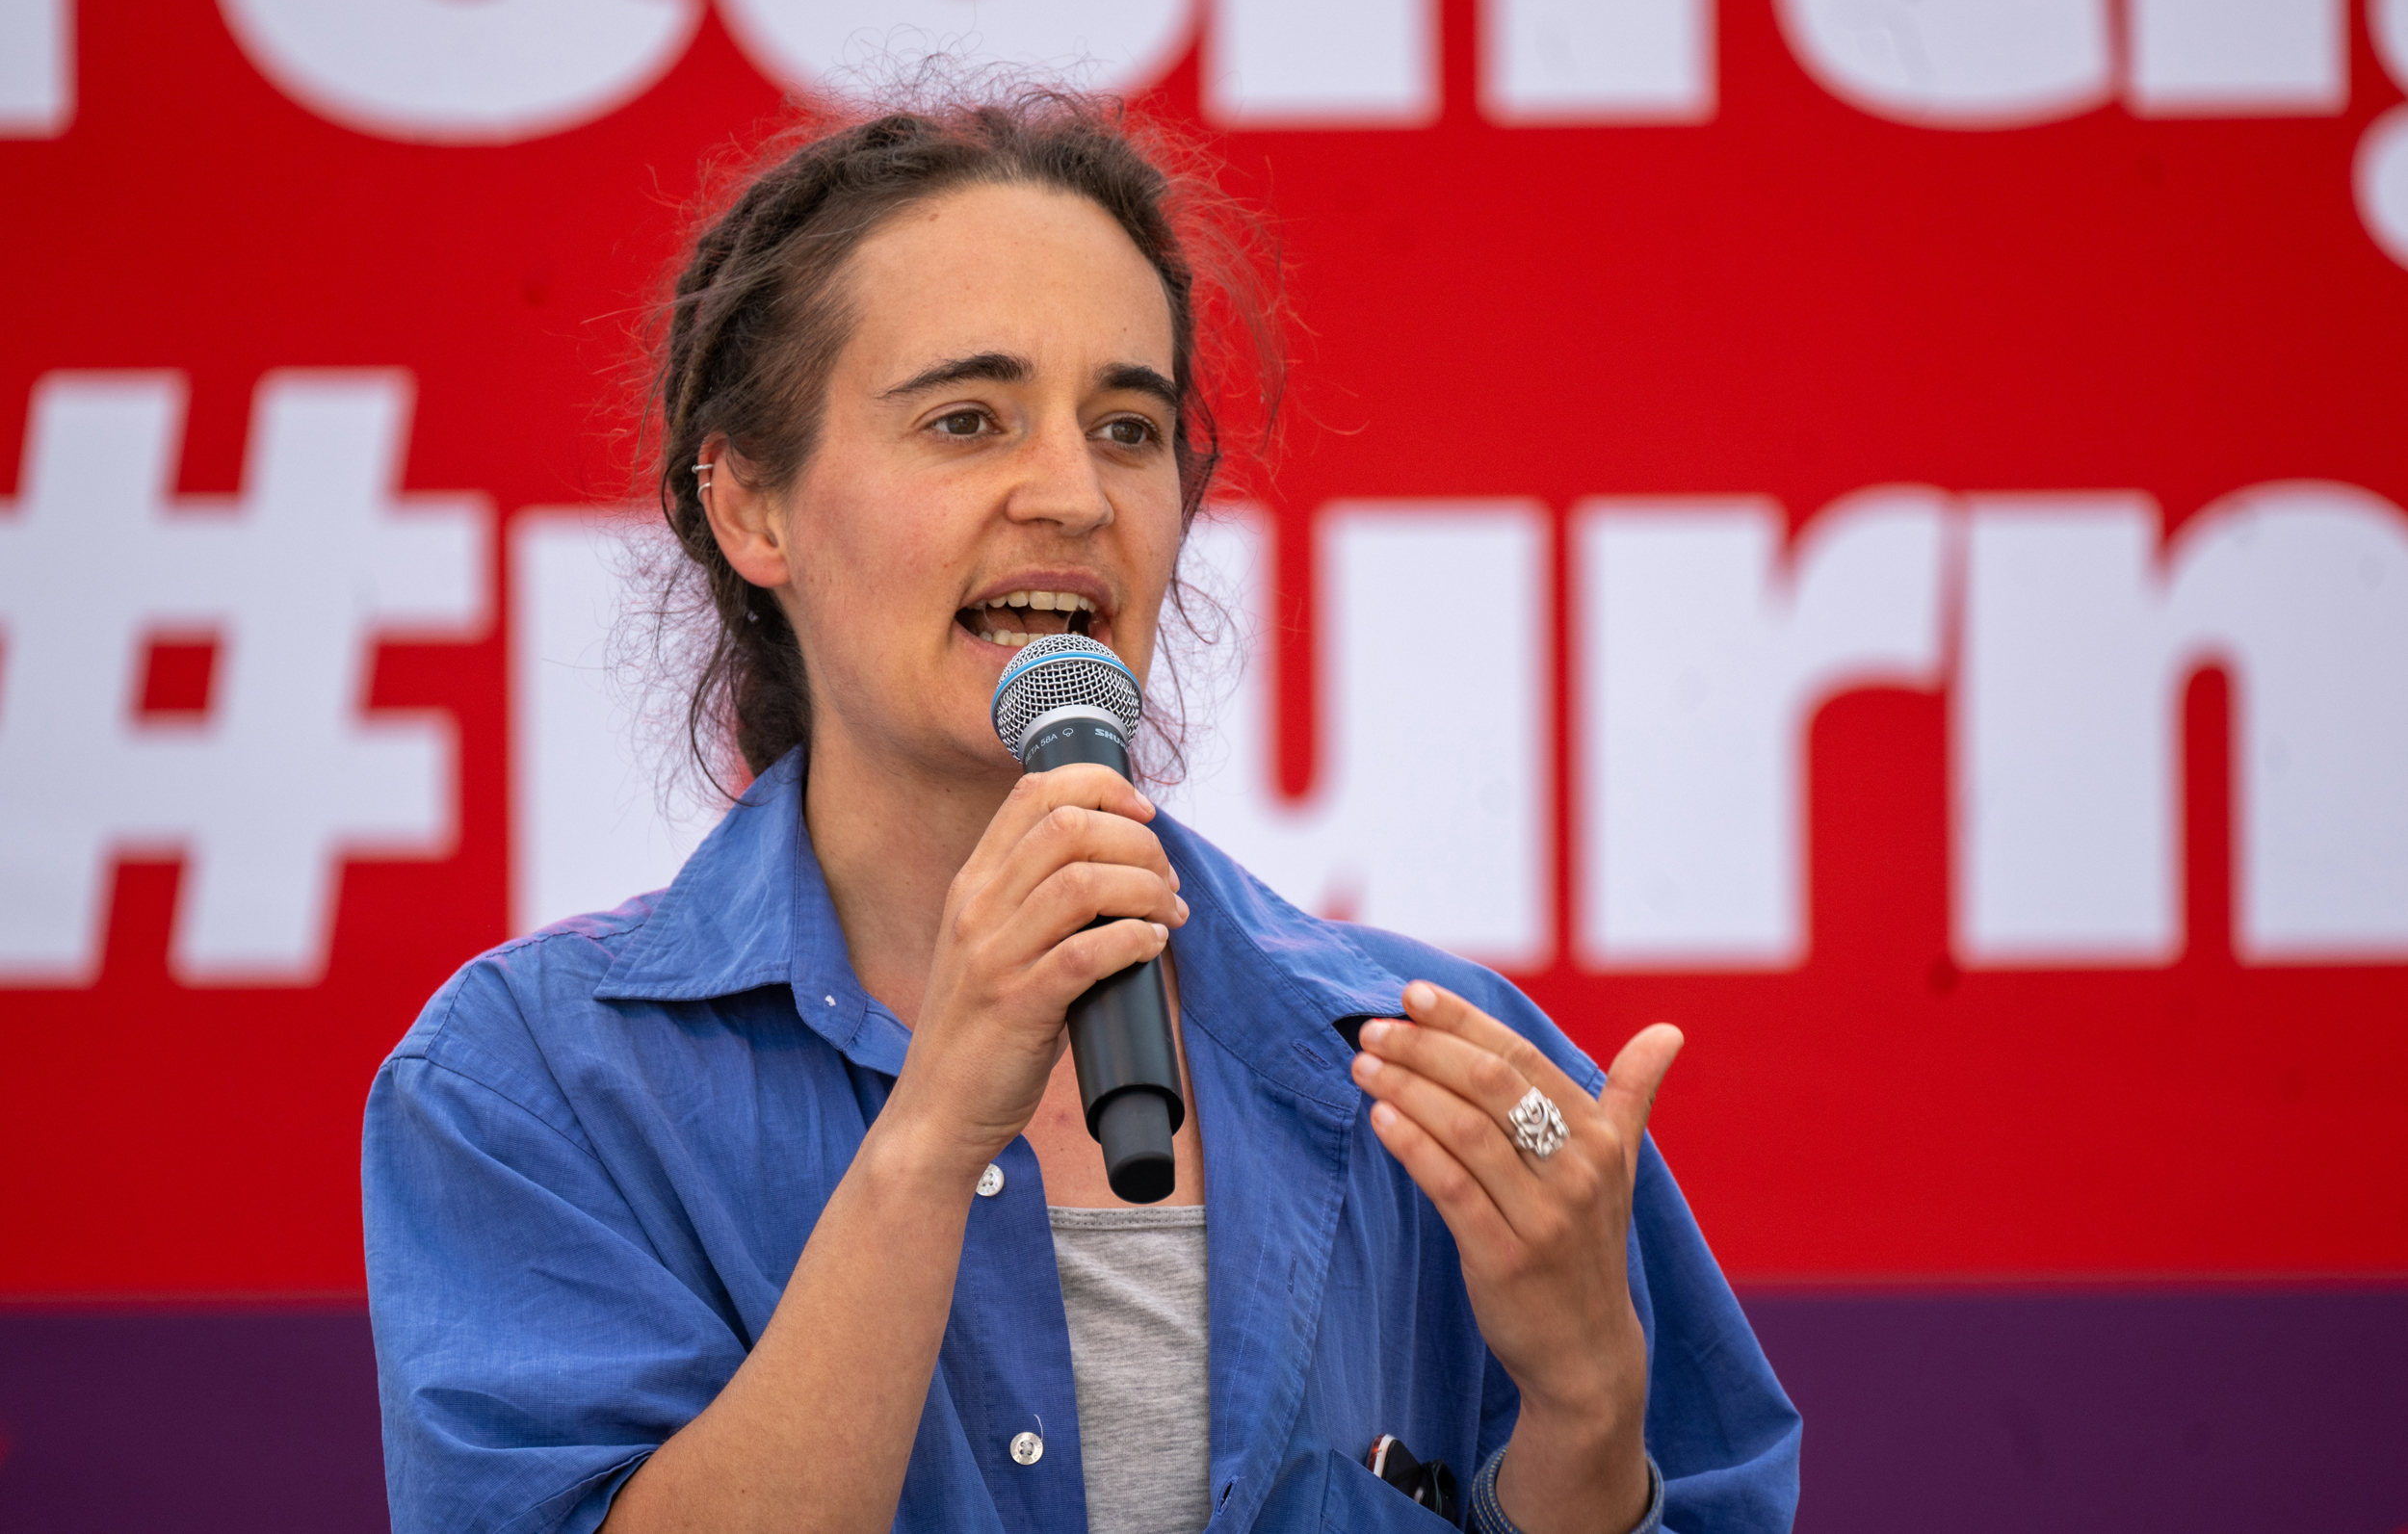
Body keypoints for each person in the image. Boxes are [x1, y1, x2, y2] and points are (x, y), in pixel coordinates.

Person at [362, 90, 1801, 1534]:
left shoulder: (1424, 1072)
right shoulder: (531, 1082)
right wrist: (931, 1132)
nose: (1072, 494)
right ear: (751, 506)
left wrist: (1590, 1418)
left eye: (1129, 426)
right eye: (967, 418)